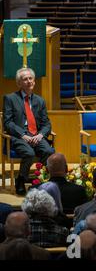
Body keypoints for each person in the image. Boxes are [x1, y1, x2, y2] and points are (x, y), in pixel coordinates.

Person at [2, 67, 54, 195]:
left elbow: (46, 123)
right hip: (19, 136)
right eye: (25, 79)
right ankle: (21, 179)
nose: (29, 81)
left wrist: (41, 135)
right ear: (19, 83)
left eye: (31, 78)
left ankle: (38, 180)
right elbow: (8, 123)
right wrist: (23, 135)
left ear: (34, 81)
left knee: (48, 151)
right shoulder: (10, 98)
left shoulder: (40, 100)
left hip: (36, 135)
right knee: (29, 153)